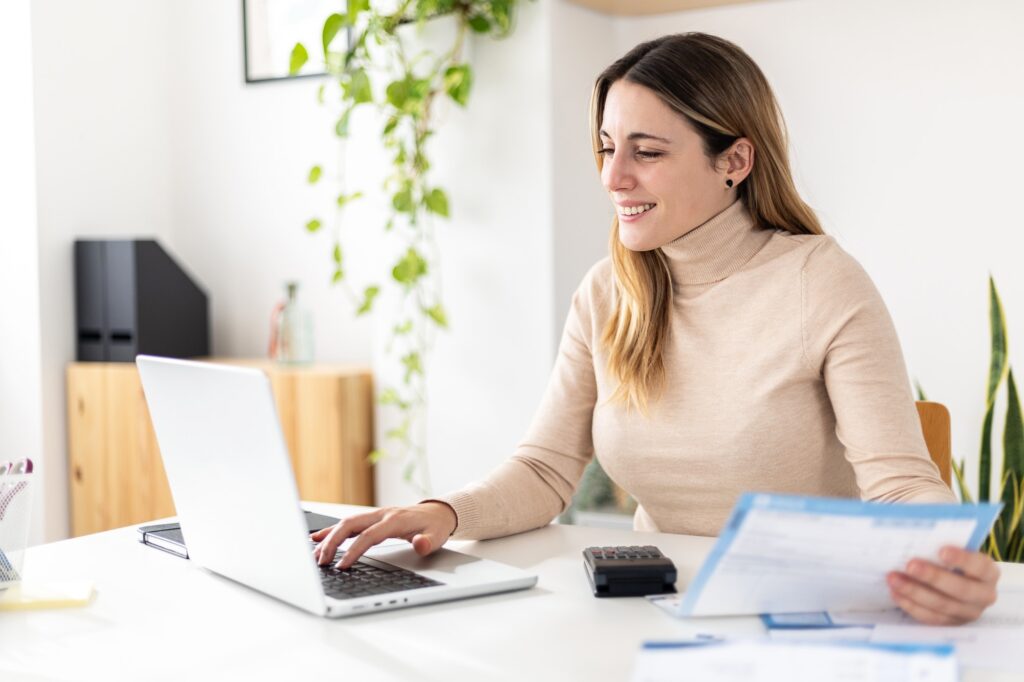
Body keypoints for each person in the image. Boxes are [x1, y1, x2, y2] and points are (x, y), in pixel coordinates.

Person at [312, 33, 999, 625]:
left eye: (646, 151)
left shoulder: (820, 281)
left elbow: (900, 483)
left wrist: (951, 556)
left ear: (734, 161)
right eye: (608, 147)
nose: (614, 176)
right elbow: (546, 470)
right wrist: (443, 513)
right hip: (654, 610)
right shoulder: (608, 291)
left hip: (802, 615)